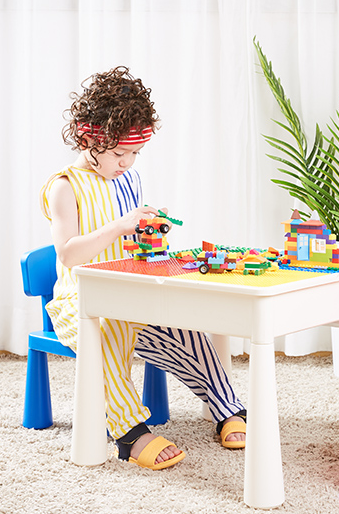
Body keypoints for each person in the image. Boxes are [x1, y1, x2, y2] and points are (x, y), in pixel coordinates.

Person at [40, 66, 246, 470]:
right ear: (88, 138)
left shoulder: (128, 179)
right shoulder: (65, 186)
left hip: (130, 288)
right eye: (119, 154)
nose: (127, 162)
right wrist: (120, 225)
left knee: (185, 326)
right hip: (80, 298)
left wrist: (148, 229)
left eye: (135, 153)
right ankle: (130, 431)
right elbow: (68, 254)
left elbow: (132, 244)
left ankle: (227, 407)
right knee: (108, 331)